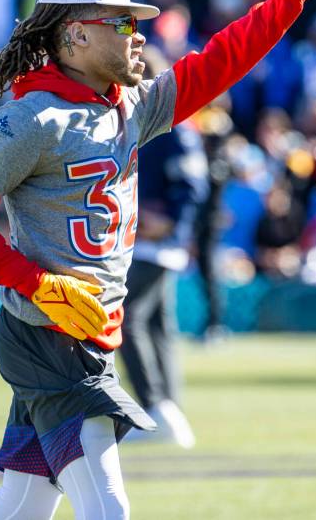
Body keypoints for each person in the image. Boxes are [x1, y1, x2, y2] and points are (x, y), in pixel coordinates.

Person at [0, 0, 316, 520]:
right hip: (49, 339)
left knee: (18, 511)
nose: (136, 35)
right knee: (108, 510)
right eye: (122, 22)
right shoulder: (31, 117)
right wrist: (34, 283)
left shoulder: (130, 106)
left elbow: (224, 59)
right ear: (76, 34)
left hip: (87, 335)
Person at [120, 50, 208, 448]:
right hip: (143, 241)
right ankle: (168, 410)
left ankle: (156, 408)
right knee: (158, 327)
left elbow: (192, 187)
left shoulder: (172, 126)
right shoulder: (137, 120)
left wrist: (172, 224)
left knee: (128, 320)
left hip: (156, 245)